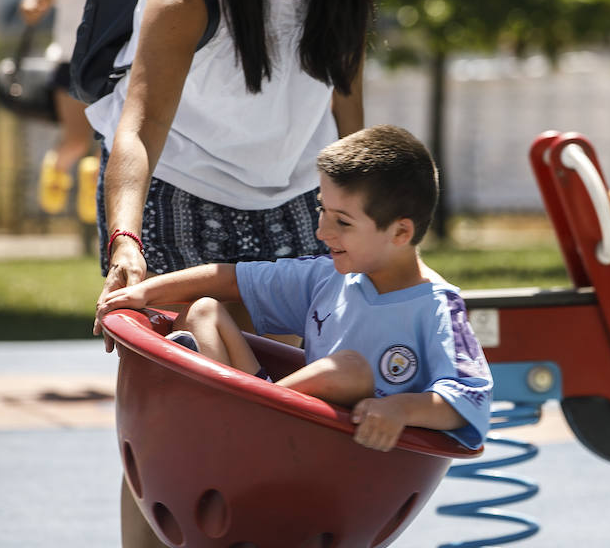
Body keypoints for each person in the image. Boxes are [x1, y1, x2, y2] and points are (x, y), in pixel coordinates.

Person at [85, 0, 387, 548]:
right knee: (169, 420)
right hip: (180, 183)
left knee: (277, 418)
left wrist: (357, 206)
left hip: (294, 192)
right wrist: (126, 242)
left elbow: (343, 74)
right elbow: (136, 125)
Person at [96, 124, 492, 453]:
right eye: (322, 209)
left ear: (400, 231)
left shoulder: (438, 308)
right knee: (204, 310)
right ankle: (239, 421)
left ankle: (237, 421)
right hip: (284, 424)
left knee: (350, 369)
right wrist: (142, 293)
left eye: (343, 221)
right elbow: (230, 278)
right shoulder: (329, 276)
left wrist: (402, 409)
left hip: (347, 453)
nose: (322, 231)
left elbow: (471, 398)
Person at [18, 0, 129, 223]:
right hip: (70, 64)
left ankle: (92, 187)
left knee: (110, 142)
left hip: (112, 64)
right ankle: (57, 169)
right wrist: (31, 7)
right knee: (76, 140)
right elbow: (37, 3)